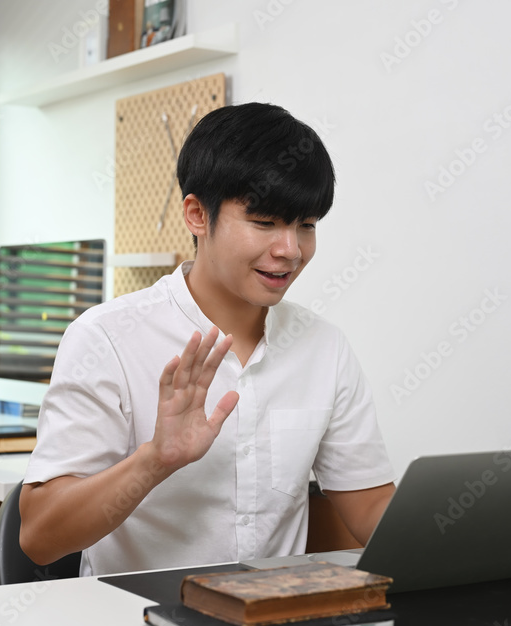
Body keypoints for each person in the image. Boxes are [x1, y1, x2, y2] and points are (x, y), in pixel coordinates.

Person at [20, 102, 396, 576]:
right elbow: (39, 538)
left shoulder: (324, 347)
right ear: (197, 215)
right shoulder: (105, 338)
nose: (291, 250)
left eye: (307, 225)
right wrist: (155, 461)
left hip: (271, 623)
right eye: (264, 223)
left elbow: (370, 504)